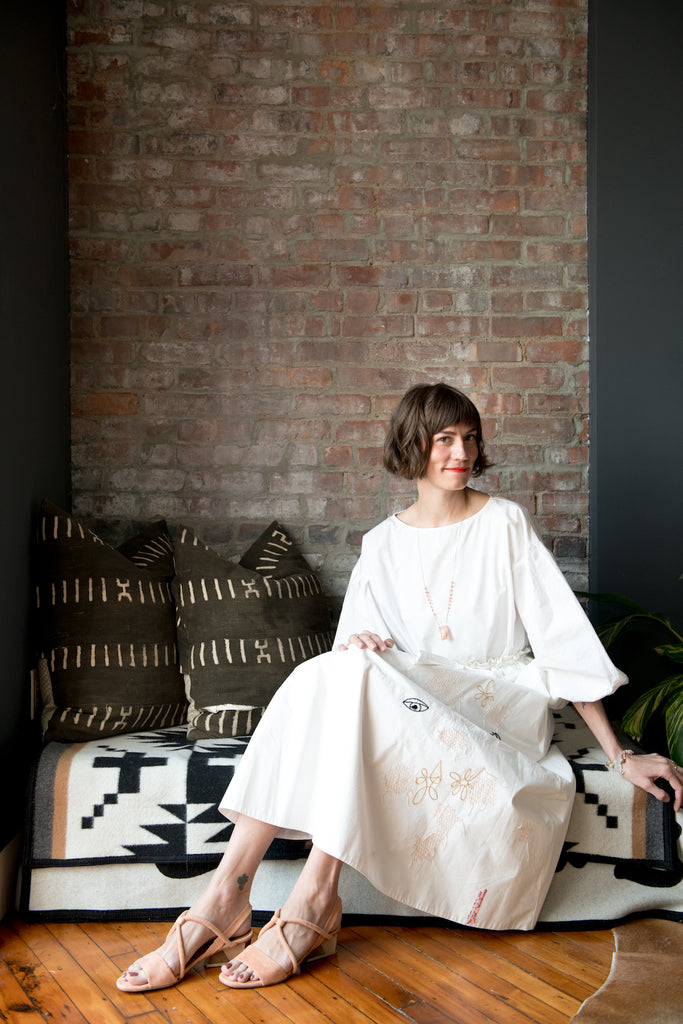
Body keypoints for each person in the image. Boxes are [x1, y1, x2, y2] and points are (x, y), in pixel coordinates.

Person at [117, 381, 683, 993]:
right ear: (414, 445)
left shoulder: (505, 523)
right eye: (444, 439)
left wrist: (618, 754)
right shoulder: (381, 545)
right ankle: (228, 891)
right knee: (332, 670)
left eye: (469, 438)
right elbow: (343, 674)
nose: (460, 452)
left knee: (348, 674)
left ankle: (301, 902)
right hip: (420, 704)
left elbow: (561, 638)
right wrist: (359, 644)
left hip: (501, 705)